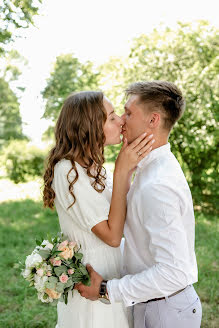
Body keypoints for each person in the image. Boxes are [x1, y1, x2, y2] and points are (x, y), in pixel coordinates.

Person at [75, 81, 202, 328]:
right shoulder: (149, 169)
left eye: (129, 112)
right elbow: (139, 242)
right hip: (154, 304)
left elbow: (173, 273)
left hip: (166, 311)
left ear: (153, 121)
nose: (122, 120)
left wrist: (105, 290)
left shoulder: (157, 184)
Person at [43, 90, 154, 328]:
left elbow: (123, 208)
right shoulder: (68, 171)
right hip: (92, 275)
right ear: (90, 126)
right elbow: (113, 236)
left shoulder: (96, 169)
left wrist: (129, 167)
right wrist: (122, 170)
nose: (121, 120)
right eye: (112, 117)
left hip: (112, 273)